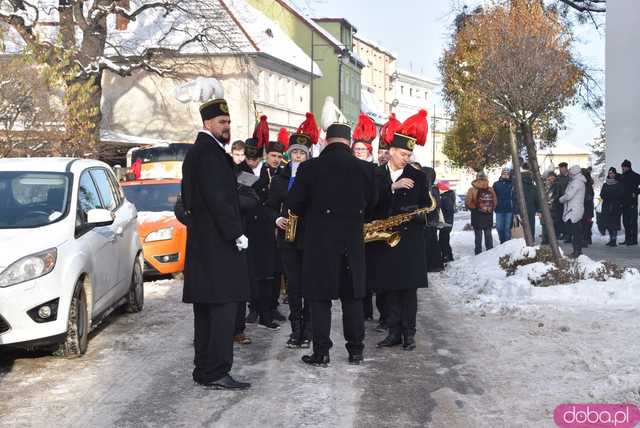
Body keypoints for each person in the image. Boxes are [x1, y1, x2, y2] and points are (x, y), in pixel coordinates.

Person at [288, 122, 377, 367]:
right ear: (349, 142)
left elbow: (294, 204)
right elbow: (373, 204)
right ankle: (356, 351)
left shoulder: (308, 168)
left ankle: (322, 352)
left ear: (326, 141)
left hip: (319, 243)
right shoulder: (366, 169)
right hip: (352, 241)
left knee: (319, 299)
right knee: (353, 299)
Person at [181, 98, 251, 390]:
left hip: (204, 246)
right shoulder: (209, 154)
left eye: (228, 122)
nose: (227, 127)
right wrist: (236, 232)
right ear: (207, 123)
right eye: (222, 122)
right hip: (218, 246)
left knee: (207, 313)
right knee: (222, 311)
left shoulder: (200, 152)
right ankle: (217, 370)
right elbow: (218, 200)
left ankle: (204, 370)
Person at [368, 110, 431, 351]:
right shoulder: (375, 174)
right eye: (403, 154)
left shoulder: (417, 175)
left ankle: (409, 334)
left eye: (409, 154)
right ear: (391, 151)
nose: (406, 158)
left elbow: (427, 204)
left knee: (408, 291)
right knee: (389, 289)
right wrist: (392, 188)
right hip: (384, 240)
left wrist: (418, 210)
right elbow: (369, 204)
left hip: (410, 240)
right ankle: (393, 331)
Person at [267, 130, 315, 348]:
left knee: (310, 285)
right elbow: (269, 207)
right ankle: (296, 329)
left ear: (308, 155)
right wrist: (277, 219)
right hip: (287, 238)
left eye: (302, 153)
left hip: (310, 237)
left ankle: (309, 330)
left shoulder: (316, 176)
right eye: (295, 152)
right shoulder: (279, 179)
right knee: (293, 286)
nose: (298, 156)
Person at [241, 127, 286, 331]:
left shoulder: (282, 173)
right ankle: (255, 306)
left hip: (276, 226)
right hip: (255, 227)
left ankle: (271, 306)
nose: (276, 159)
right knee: (256, 269)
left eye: (279, 156)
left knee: (274, 271)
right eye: (273, 155)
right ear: (266, 155)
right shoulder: (254, 172)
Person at [466, 171, 497, 255]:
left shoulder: (472, 189)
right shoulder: (490, 189)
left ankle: (478, 253)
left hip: (477, 216)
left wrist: (475, 208)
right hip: (488, 215)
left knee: (478, 236)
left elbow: (468, 202)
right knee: (488, 235)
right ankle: (490, 252)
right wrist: (489, 209)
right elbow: (495, 202)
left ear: (477, 178)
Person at [559, 165, 586, 258]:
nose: (569, 174)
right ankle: (577, 251)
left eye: (570, 173)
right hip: (574, 209)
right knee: (575, 232)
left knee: (576, 232)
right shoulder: (576, 181)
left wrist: (561, 199)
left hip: (574, 210)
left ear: (574, 173)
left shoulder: (577, 182)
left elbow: (569, 195)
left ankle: (577, 251)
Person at [422, 166, 444, 272]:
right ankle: (434, 265)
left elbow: (436, 204)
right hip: (430, 220)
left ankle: (433, 265)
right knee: (432, 243)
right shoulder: (433, 188)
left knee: (430, 243)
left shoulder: (432, 188)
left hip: (429, 219)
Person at [513, 165, 541, 242]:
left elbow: (514, 199)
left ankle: (521, 241)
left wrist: (515, 211)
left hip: (520, 209)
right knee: (531, 225)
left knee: (520, 227)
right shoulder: (534, 187)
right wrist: (539, 210)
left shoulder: (517, 187)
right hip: (531, 209)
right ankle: (531, 240)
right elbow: (537, 199)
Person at [600, 167, 625, 246]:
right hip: (606, 206)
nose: (611, 174)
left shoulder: (619, 184)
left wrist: (612, 196)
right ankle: (611, 239)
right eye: (609, 173)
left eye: (612, 173)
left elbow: (621, 194)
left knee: (614, 224)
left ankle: (614, 240)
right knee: (608, 224)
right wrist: (608, 196)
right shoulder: (605, 184)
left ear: (615, 174)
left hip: (615, 206)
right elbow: (602, 194)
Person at [620, 159, 640, 245]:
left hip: (632, 203)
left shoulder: (635, 176)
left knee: (633, 222)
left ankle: (634, 240)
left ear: (628, 167)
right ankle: (627, 239)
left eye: (624, 167)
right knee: (626, 222)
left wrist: (636, 192)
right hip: (624, 203)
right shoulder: (622, 176)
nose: (622, 169)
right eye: (622, 167)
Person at [541, 171, 563, 245]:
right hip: (545, 208)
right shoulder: (544, 185)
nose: (550, 179)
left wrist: (550, 202)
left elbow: (557, 196)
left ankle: (554, 240)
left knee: (554, 225)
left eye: (552, 177)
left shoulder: (557, 185)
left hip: (554, 208)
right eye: (549, 178)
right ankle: (545, 239)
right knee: (544, 224)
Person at [492, 168, 514, 244]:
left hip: (509, 209)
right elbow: (493, 196)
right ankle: (502, 241)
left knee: (507, 228)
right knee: (499, 228)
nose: (505, 175)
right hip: (499, 210)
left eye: (507, 174)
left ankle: (507, 244)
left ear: (509, 175)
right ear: (501, 174)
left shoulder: (512, 184)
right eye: (504, 173)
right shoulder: (496, 184)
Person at [437, 180, 455, 263]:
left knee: (443, 240)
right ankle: (448, 256)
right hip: (447, 222)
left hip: (446, 223)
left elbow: (449, 210)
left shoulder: (445, 197)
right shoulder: (448, 195)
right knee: (444, 239)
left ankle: (447, 256)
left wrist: (445, 222)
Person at [556, 162, 570, 241]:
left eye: (563, 168)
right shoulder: (558, 178)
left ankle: (567, 234)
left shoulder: (570, 177)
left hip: (567, 200)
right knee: (560, 218)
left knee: (567, 218)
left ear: (566, 168)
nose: (561, 170)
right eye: (560, 168)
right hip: (559, 200)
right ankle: (563, 233)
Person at [582, 168, 595, 247]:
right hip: (589, 207)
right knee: (587, 223)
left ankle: (586, 239)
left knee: (585, 223)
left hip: (585, 206)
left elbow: (588, 197)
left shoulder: (585, 184)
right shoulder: (589, 183)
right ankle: (588, 238)